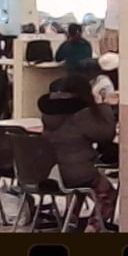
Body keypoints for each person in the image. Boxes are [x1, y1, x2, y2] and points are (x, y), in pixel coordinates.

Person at [38, 74, 117, 232]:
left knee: (80, 188)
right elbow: (106, 135)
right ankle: (93, 226)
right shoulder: (82, 114)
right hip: (76, 173)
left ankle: (71, 220)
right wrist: (102, 106)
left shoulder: (49, 114)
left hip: (51, 172)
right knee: (108, 193)